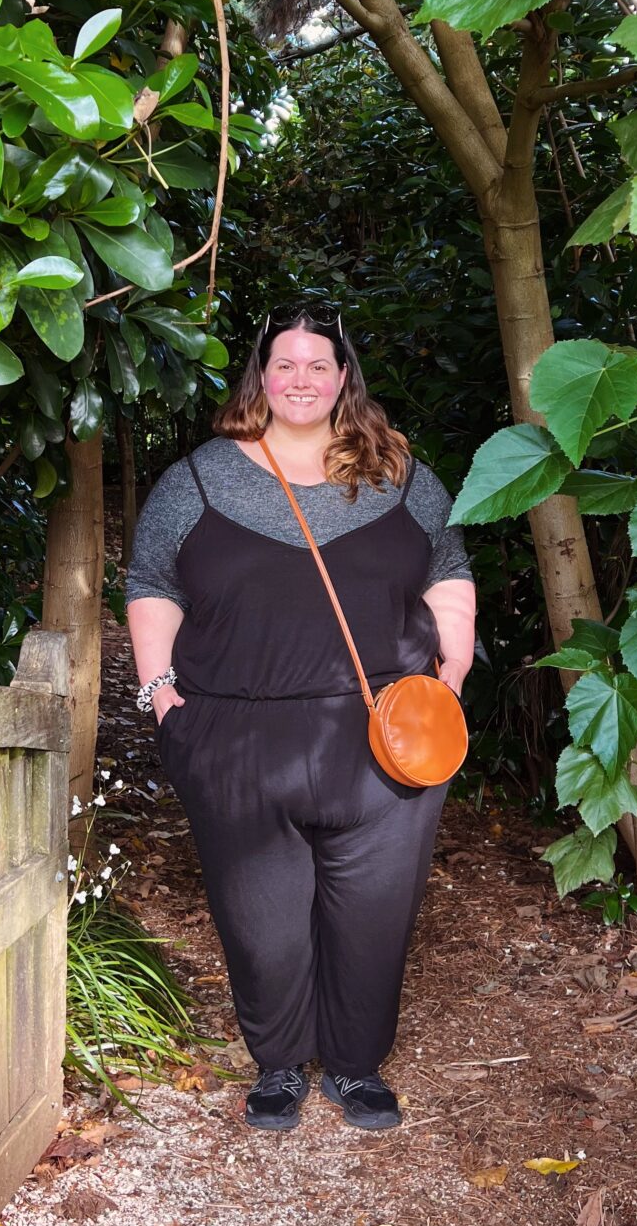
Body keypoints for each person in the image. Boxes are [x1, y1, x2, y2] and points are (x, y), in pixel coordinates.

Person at [126, 301, 478, 1134]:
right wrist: (158, 694)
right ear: (262, 375)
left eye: (318, 365)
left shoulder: (399, 474)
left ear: (343, 377)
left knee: (374, 911)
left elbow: (449, 565)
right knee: (263, 917)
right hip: (236, 735)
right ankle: (280, 1064)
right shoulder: (201, 480)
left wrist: (453, 671)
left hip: (385, 735)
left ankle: (355, 1068)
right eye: (285, 364)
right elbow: (151, 581)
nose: (301, 380)